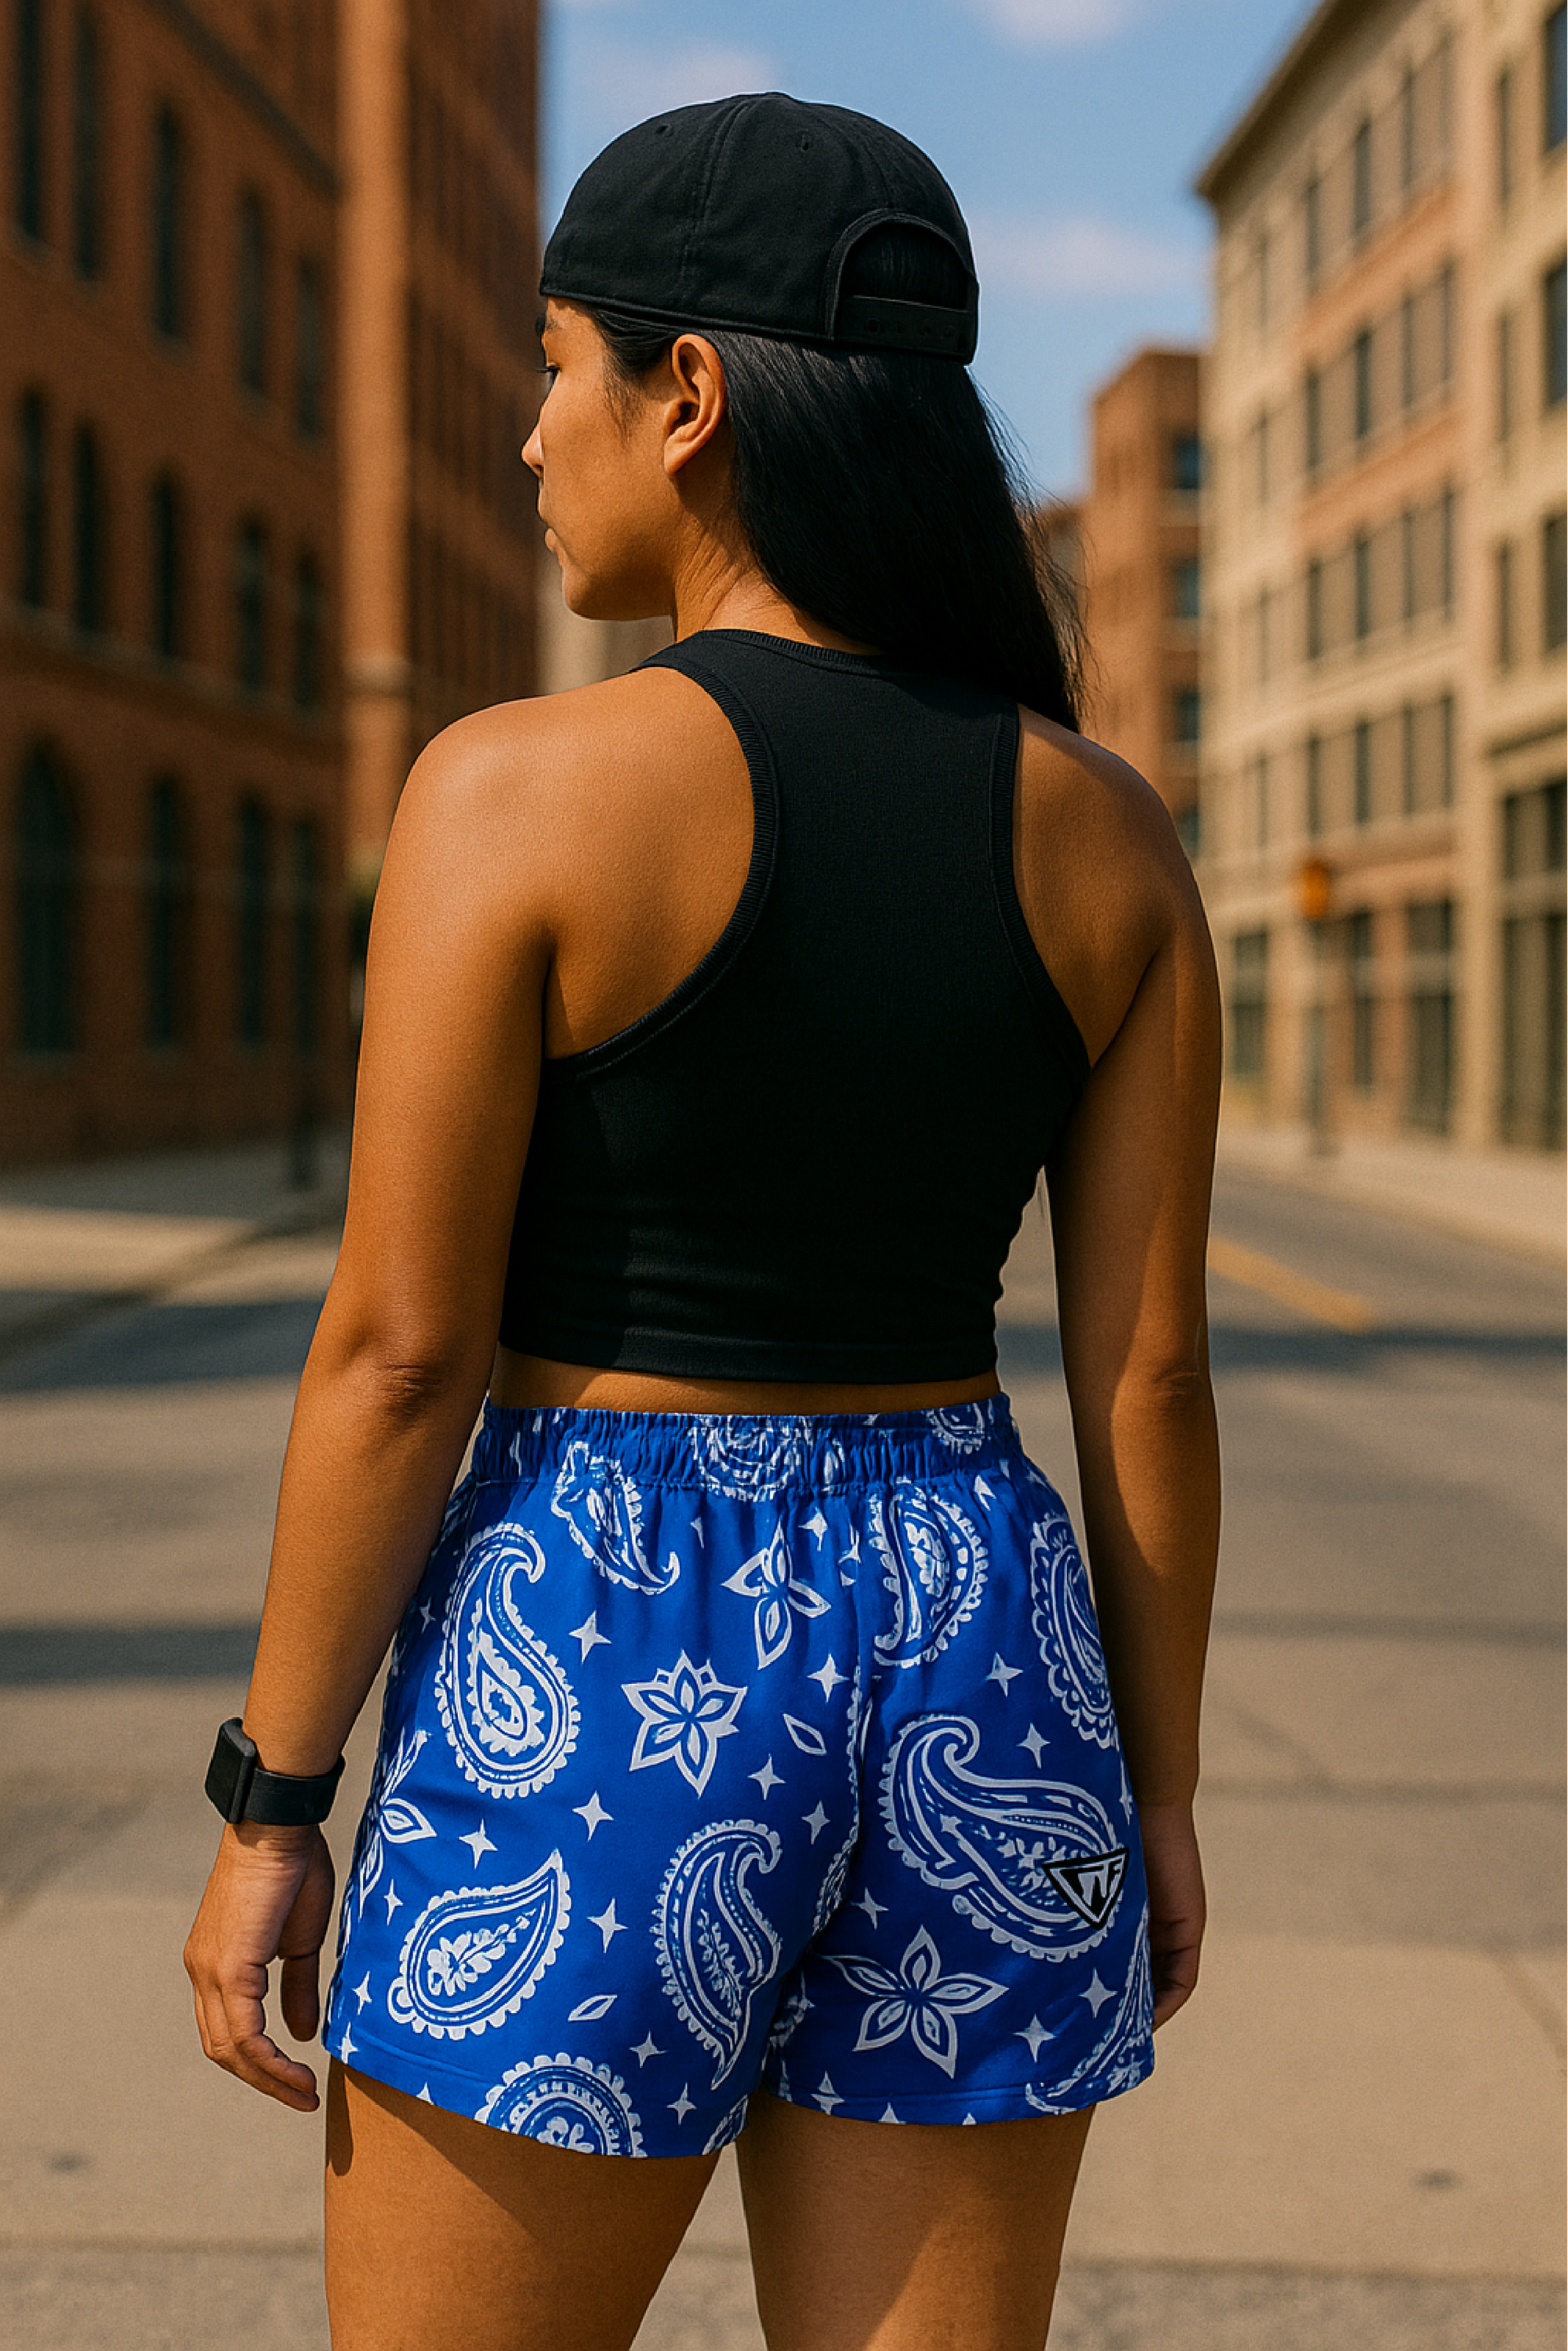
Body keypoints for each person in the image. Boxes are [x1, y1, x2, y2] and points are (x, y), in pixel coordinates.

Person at [184, 93, 1221, 2351]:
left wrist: (272, 1794)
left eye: (558, 361)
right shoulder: (1111, 840)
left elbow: (398, 1350)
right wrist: (1152, 1790)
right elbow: (1142, 1372)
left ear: (691, 393)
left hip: (607, 1630)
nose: (532, 432)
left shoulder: (516, 794)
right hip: (984, 1640)